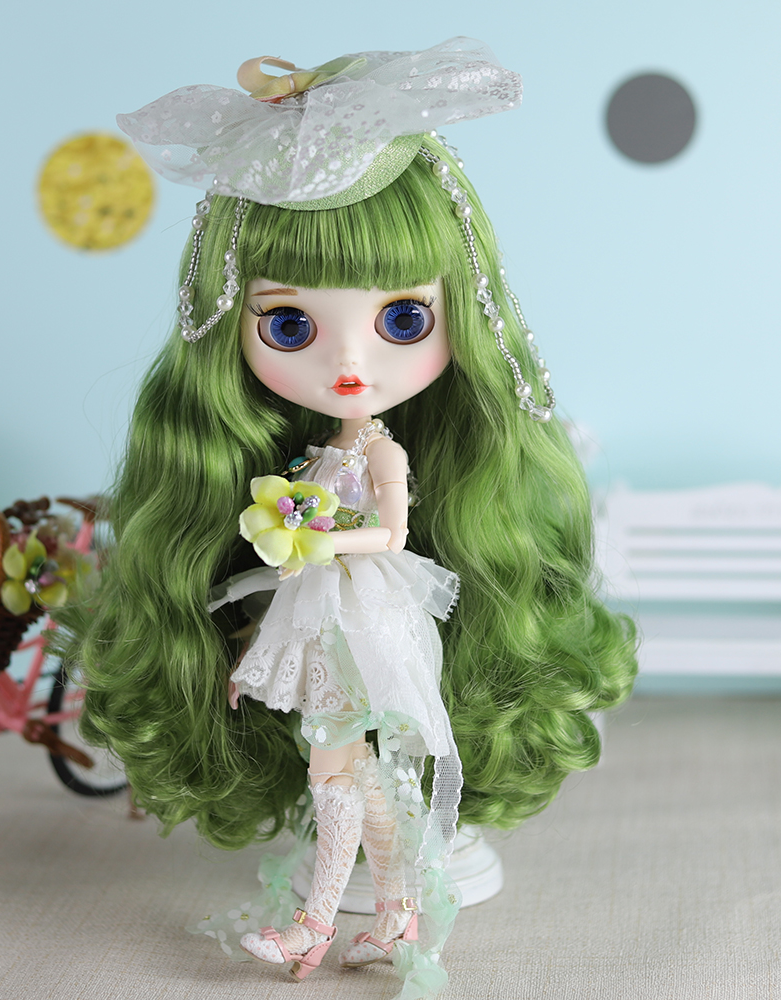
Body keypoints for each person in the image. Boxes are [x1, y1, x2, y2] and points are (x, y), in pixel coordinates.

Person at [62, 39, 637, 999]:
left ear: (463, 313)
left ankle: (318, 921)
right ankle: (394, 908)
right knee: (350, 775)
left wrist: (320, 540)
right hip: (323, 612)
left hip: (373, 610)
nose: (349, 365)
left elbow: (394, 535)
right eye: (289, 325)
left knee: (341, 773)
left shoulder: (383, 454)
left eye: (403, 320)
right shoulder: (313, 455)